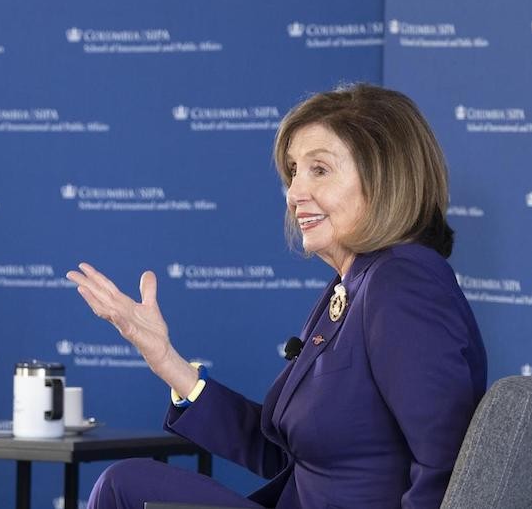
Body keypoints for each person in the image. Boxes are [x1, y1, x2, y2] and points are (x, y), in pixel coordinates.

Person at [66, 84, 487, 509]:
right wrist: (166, 360)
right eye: (293, 172)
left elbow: (448, 467)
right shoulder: (352, 287)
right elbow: (284, 455)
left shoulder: (402, 285)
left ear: (384, 177)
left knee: (126, 485)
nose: (294, 194)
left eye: (319, 170)